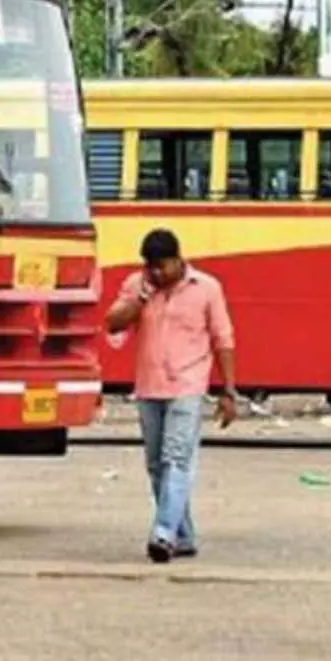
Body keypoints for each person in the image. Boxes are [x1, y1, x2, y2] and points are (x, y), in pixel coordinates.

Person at [104, 228, 236, 563]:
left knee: (176, 458)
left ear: (179, 260)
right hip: (149, 386)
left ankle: (163, 532)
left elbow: (223, 340)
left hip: (188, 385)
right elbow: (112, 323)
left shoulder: (206, 288)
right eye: (152, 268)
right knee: (155, 465)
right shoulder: (137, 285)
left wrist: (229, 391)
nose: (158, 273)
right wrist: (141, 298)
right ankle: (184, 534)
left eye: (164, 266)